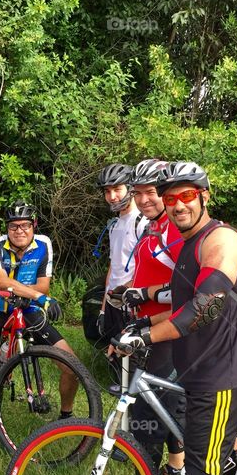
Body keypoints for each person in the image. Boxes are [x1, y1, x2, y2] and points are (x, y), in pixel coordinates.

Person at [114, 161, 237, 475]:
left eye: (186, 196)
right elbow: (178, 298)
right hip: (202, 368)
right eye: (170, 198)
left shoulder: (222, 241)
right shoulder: (189, 243)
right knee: (199, 463)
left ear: (204, 197)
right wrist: (143, 309)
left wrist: (147, 334)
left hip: (221, 375)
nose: (177, 205)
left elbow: (207, 305)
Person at [98, 160, 186, 475]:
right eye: (140, 193)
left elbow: (185, 294)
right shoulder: (153, 227)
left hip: (168, 333)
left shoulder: (174, 232)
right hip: (148, 324)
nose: (145, 199)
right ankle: (175, 470)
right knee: (158, 409)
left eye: (153, 192)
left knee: (149, 417)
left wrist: (144, 313)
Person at [0, 201, 70, 441]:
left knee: (70, 365)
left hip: (29, 309)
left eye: (25, 225)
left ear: (34, 226)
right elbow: (1, 281)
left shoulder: (44, 245)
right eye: (13, 226)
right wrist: (40, 297)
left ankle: (67, 418)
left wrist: (26, 293)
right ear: (6, 228)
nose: (19, 230)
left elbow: (44, 284)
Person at [96, 163, 147, 393]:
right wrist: (104, 308)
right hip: (114, 300)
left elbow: (145, 267)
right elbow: (113, 266)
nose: (111, 196)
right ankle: (125, 390)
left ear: (130, 188)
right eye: (107, 191)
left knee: (134, 352)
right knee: (118, 350)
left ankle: (137, 397)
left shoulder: (142, 222)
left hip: (132, 300)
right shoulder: (115, 224)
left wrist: (130, 293)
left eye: (117, 189)